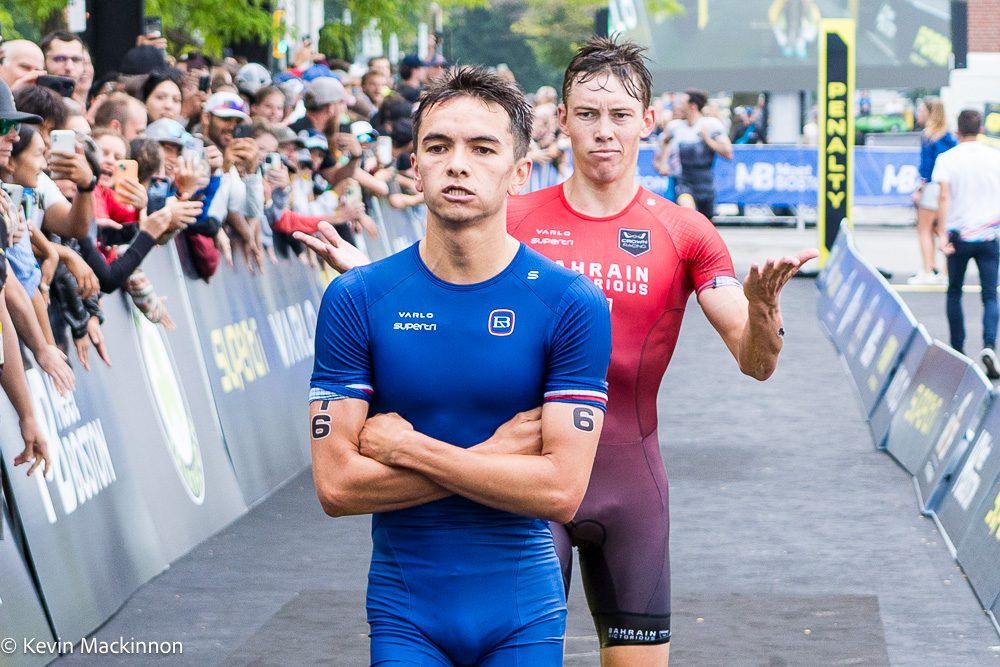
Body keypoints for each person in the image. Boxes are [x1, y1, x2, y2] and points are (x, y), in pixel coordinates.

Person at [301, 39, 816, 667]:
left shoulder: (684, 231)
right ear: (563, 121)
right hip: (518, 474)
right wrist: (371, 283)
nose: (604, 132)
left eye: (620, 116)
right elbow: (444, 280)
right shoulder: (507, 212)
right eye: (588, 115)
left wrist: (763, 316)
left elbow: (754, 359)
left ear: (646, 122)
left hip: (625, 479)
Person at [308, 66, 612, 665]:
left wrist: (409, 449)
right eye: (438, 146)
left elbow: (561, 490)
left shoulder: (570, 303)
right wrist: (498, 455)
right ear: (414, 167)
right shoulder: (357, 297)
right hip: (404, 612)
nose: (457, 163)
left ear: (519, 172)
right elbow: (337, 486)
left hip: (522, 610)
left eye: (482, 148)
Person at [934, 109, 1000, 379]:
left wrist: (941, 233)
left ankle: (958, 350)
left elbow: (944, 197)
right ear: (981, 128)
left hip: (958, 236)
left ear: (957, 131)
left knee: (954, 292)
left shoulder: (948, 158)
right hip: (989, 235)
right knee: (990, 295)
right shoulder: (995, 156)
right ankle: (988, 345)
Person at [663, 89, 733, 220]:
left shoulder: (711, 124)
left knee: (705, 225)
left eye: (682, 103)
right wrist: (662, 162)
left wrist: (708, 140)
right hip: (684, 181)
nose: (678, 107)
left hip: (705, 184)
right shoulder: (675, 126)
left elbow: (728, 153)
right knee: (689, 216)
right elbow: (664, 142)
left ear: (693, 106)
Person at [909, 97, 957, 285]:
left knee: (924, 229)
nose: (919, 114)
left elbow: (926, 167)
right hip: (947, 187)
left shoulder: (928, 136)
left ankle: (928, 270)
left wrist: (919, 189)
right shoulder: (950, 137)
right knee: (943, 229)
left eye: (921, 110)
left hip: (931, 187)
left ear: (930, 113)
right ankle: (946, 272)